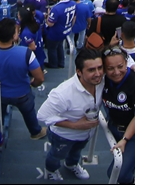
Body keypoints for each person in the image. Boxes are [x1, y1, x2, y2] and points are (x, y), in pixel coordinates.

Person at [38, 47, 106, 181]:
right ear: (79, 72)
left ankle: (71, 165)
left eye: (100, 68)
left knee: (76, 153)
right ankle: (50, 170)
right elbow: (42, 115)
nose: (98, 73)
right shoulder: (63, 93)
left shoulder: (102, 81)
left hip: (86, 134)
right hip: (63, 136)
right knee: (56, 155)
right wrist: (75, 125)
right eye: (91, 70)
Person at [101, 47, 135, 183]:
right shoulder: (102, 80)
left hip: (132, 135)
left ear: (126, 63)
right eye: (110, 68)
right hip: (114, 128)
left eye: (120, 66)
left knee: (116, 174)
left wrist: (125, 139)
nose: (116, 72)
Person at [43, 0, 76, 69]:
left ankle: (53, 64)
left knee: (52, 48)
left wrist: (48, 16)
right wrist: (69, 27)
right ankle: (61, 62)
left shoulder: (57, 8)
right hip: (66, 30)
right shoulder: (73, 4)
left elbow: (50, 24)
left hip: (55, 32)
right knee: (60, 46)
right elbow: (74, 17)